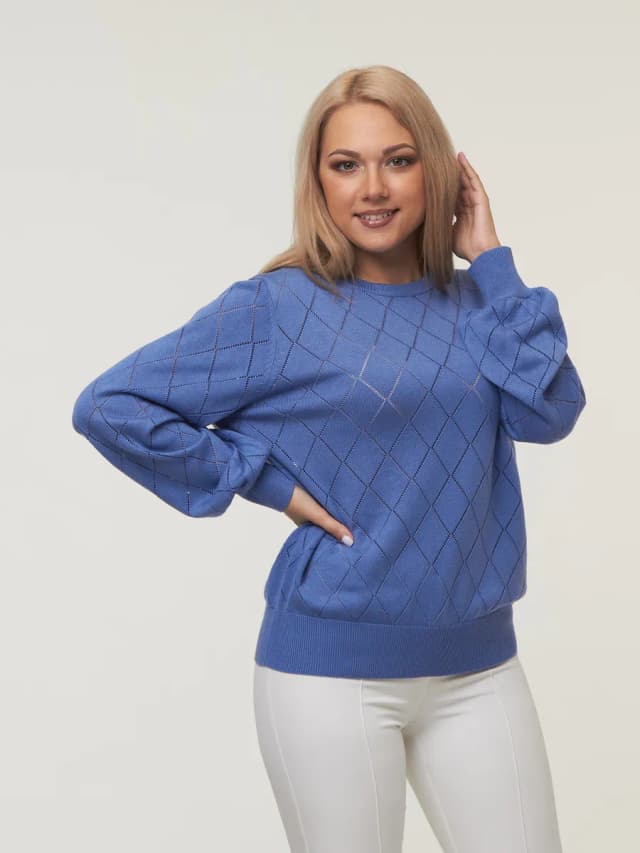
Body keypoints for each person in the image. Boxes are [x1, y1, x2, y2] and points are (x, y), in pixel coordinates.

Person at [71, 65, 586, 852]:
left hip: (480, 668)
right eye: (346, 164)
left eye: (399, 160)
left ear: (438, 170)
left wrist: (491, 261)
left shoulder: (482, 302)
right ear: (318, 181)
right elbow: (111, 405)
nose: (373, 187)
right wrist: (261, 479)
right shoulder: (280, 307)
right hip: (329, 677)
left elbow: (551, 411)